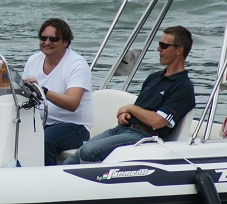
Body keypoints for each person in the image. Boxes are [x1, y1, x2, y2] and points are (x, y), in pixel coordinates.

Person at [64, 25, 196, 164]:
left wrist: (130, 108)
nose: (158, 49)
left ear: (179, 50)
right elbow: (141, 109)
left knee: (88, 151)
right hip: (124, 129)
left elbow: (157, 121)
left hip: (145, 137)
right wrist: (125, 116)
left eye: (163, 45)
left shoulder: (183, 87)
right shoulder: (154, 77)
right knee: (79, 151)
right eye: (159, 44)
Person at [22, 18, 94, 165]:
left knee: (44, 142)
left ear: (66, 42)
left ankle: (47, 183)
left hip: (75, 126)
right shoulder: (33, 60)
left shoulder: (76, 64)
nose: (47, 42)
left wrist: (42, 91)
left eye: (53, 39)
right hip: (41, 121)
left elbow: (72, 103)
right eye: (43, 38)